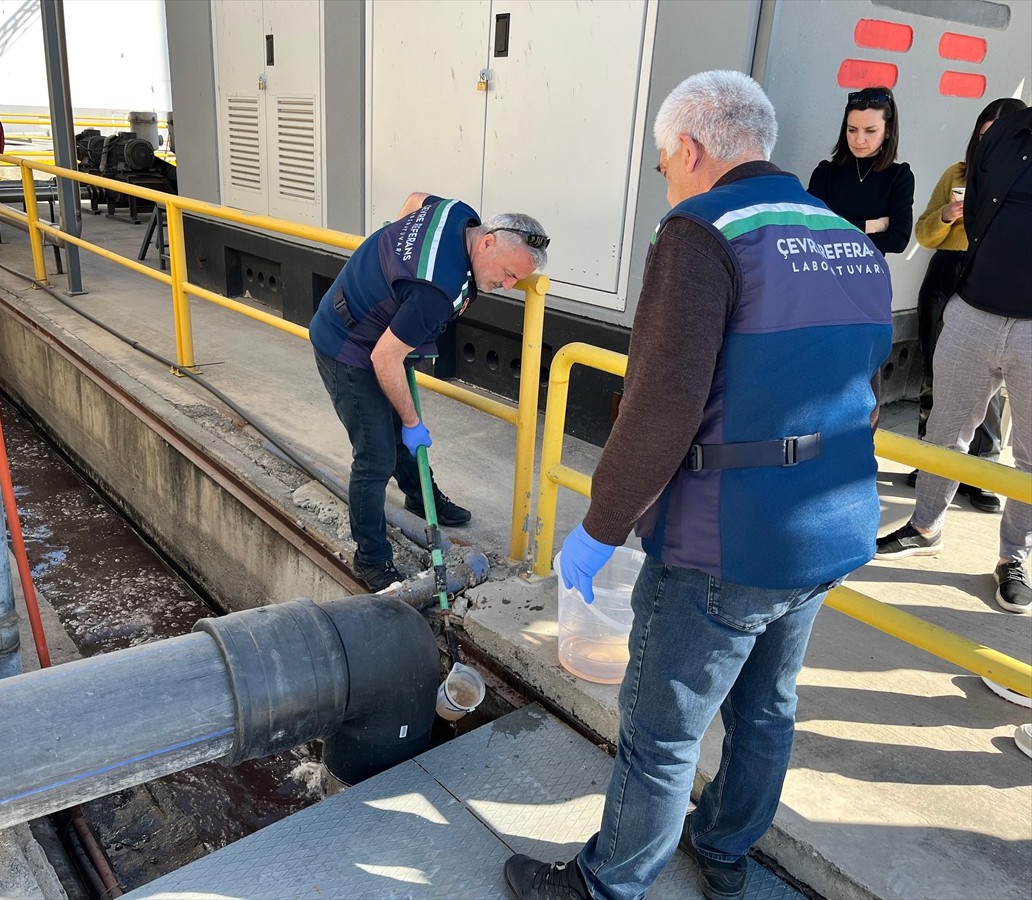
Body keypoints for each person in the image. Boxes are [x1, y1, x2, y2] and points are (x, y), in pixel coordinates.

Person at [503, 71, 893, 900]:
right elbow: (860, 376)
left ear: (689, 148)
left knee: (663, 732)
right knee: (766, 710)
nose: (665, 179)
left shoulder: (701, 232)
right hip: (830, 525)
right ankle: (723, 851)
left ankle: (608, 885)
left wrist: (600, 526)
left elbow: (662, 406)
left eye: (661, 163)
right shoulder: (845, 237)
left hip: (726, 539)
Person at [309, 194, 547, 592]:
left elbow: (415, 199)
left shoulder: (458, 213)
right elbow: (386, 359)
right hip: (347, 346)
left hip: (378, 332)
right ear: (487, 242)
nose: (507, 286)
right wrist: (412, 421)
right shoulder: (437, 290)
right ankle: (370, 559)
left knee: (395, 430)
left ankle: (420, 497)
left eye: (515, 281)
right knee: (375, 454)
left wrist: (390, 269)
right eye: (507, 273)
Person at [875, 105, 1032, 615]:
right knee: (945, 433)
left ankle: (1015, 558)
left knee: (1029, 459)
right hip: (972, 313)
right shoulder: (999, 145)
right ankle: (925, 525)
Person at [908, 98, 1027, 513]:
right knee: (937, 376)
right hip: (949, 276)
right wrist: (946, 215)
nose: (991, 140)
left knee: (995, 395)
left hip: (998, 291)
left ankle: (985, 469)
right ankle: (930, 469)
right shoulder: (957, 175)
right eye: (984, 132)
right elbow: (922, 234)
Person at [807, 86, 915, 255]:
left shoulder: (899, 176)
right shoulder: (826, 172)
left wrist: (836, 231)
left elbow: (898, 241)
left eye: (870, 131)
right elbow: (811, 228)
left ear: (888, 130)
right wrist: (867, 226)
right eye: (852, 129)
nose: (859, 139)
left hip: (867, 275)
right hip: (823, 272)